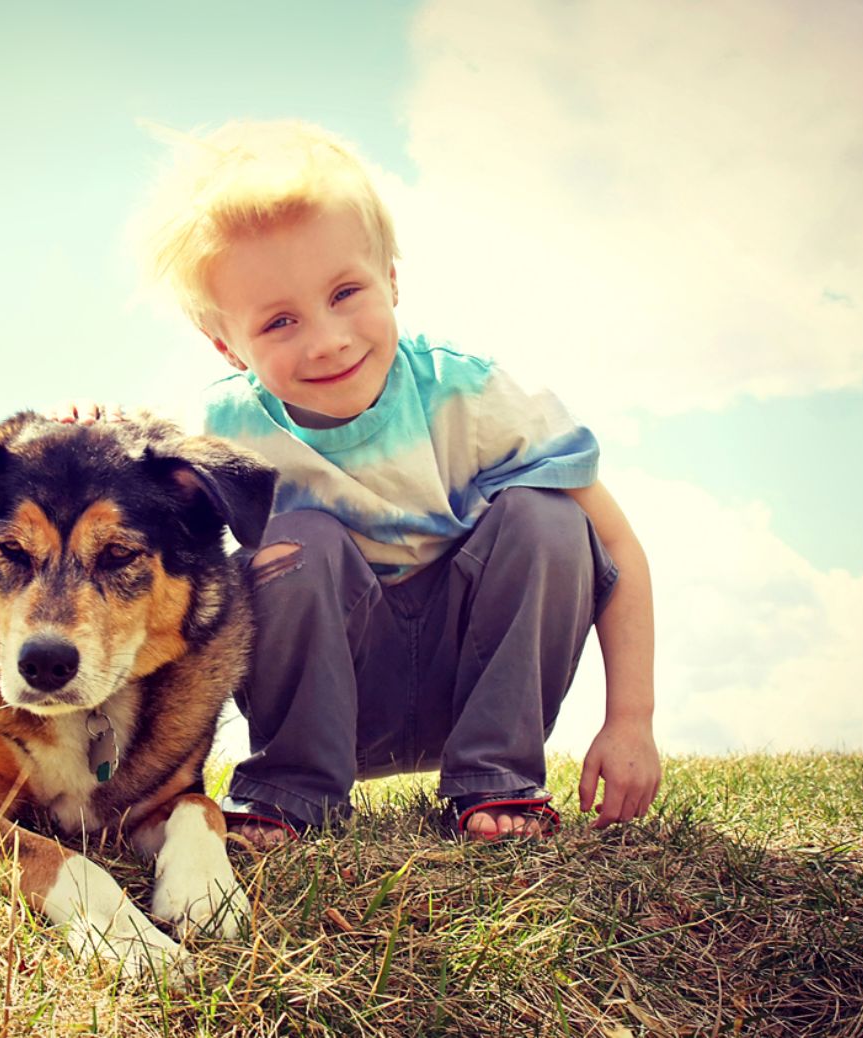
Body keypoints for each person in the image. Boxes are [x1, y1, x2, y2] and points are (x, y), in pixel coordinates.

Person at [66, 119, 660, 847]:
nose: (328, 339)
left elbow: (618, 548)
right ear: (227, 345)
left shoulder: (470, 395)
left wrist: (631, 720)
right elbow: (134, 510)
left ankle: (496, 778)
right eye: (280, 320)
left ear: (393, 278)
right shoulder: (223, 433)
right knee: (298, 539)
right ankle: (292, 788)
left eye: (346, 291)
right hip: (330, 700)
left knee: (552, 517)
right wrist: (96, 438)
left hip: (475, 681)